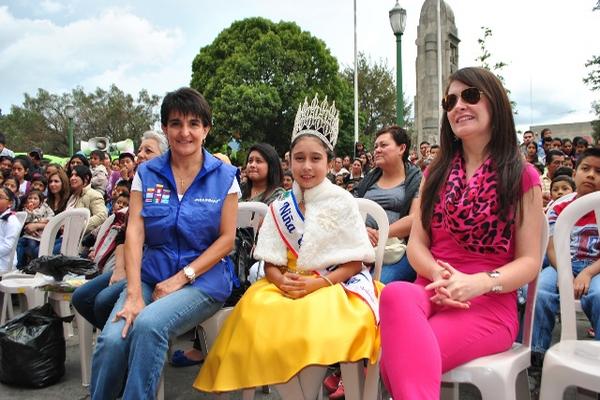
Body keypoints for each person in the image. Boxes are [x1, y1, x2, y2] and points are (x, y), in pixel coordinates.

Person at [194, 95, 379, 399]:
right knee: (256, 319)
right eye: (300, 158)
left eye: (316, 158)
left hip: (331, 284)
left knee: (309, 328)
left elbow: (357, 262)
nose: (307, 167)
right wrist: (280, 280)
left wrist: (318, 283)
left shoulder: (342, 201)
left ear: (330, 163)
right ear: (289, 160)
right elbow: (269, 261)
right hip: (285, 283)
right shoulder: (282, 206)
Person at [379, 67, 543, 399]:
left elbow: (529, 262)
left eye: (469, 96)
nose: (458, 106)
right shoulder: (434, 173)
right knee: (394, 293)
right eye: (450, 100)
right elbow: (418, 246)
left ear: (495, 103)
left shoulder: (522, 175)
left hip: (488, 300)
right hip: (432, 287)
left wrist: (476, 283)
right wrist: (442, 276)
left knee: (402, 356)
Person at [89, 87, 239, 399]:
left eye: (194, 124)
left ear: (206, 130)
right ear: (165, 129)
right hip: (151, 273)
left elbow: (227, 240)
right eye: (176, 124)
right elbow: (135, 232)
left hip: (204, 279)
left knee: (149, 325)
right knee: (114, 338)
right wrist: (132, 294)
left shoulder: (224, 176)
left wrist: (181, 278)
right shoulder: (147, 173)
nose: (185, 132)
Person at [73, 131, 168, 331]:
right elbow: (124, 233)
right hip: (128, 263)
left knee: (102, 302)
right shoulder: (139, 186)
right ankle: (121, 341)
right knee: (81, 297)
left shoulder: (166, 189)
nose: (140, 155)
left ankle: (120, 343)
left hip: (153, 268)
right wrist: (119, 269)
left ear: (165, 156)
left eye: (148, 151)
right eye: (140, 149)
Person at [531, 147, 600, 369]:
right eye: (585, 168)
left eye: (598, 171)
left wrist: (588, 273)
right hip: (561, 264)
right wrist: (564, 271)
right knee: (540, 291)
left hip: (595, 268)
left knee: (599, 296)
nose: (591, 175)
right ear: (575, 173)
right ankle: (536, 356)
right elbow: (551, 246)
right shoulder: (558, 206)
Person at [354, 125, 422, 284]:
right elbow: (349, 208)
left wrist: (380, 234)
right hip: (359, 246)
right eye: (376, 146)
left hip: (397, 252)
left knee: (371, 289)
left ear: (402, 148)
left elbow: (415, 219)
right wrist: (362, 230)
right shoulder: (368, 179)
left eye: (383, 145)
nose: (377, 150)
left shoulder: (416, 179)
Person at [16, 190, 54, 268]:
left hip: (39, 236)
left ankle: (32, 265)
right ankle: (19, 264)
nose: (32, 200)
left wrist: (44, 220)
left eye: (35, 198)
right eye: (30, 198)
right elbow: (26, 221)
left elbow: (52, 217)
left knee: (32, 246)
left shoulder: (46, 208)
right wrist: (29, 211)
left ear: (40, 201)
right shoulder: (26, 209)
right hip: (28, 235)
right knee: (20, 243)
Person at [66, 165, 108, 234]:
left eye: (76, 175)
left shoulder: (94, 194)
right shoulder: (72, 196)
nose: (72, 178)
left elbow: (102, 216)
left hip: (79, 240)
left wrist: (77, 227)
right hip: (66, 236)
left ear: (86, 178)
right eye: (72, 175)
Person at [0, 187, 20, 273]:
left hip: (3, 264)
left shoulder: (11, 221)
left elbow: (8, 246)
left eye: (0, 197)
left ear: (10, 203)